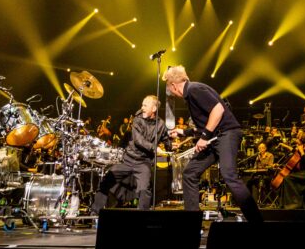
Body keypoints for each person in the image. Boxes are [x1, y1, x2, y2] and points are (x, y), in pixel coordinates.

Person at [164, 65, 263, 222]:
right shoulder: (190, 95)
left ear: (173, 85)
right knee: (189, 173)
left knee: (229, 175)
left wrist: (204, 137)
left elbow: (218, 110)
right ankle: (191, 222)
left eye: (169, 88)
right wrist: (183, 132)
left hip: (227, 134)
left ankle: (257, 221)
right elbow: (205, 124)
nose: (171, 92)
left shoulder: (194, 89)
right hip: (215, 138)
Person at [91, 95, 171, 214]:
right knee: (106, 181)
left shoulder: (161, 124)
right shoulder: (137, 120)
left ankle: (142, 217)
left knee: (145, 189)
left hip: (143, 162)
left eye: (145, 105)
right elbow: (138, 140)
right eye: (142, 105)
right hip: (127, 160)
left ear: (154, 109)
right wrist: (155, 148)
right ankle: (95, 212)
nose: (142, 107)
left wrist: (170, 145)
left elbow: (165, 138)